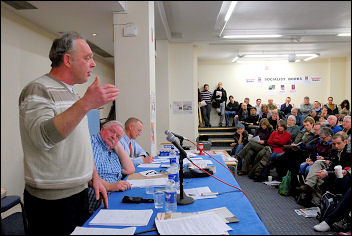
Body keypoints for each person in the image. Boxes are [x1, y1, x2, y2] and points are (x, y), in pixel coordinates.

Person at [19, 32, 116, 235]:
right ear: (68, 60)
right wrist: (86, 103)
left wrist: (95, 177)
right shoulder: (38, 89)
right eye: (88, 57)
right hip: (52, 201)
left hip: (79, 193)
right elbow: (42, 138)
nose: (93, 64)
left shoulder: (73, 93)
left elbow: (81, 143)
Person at [88, 121, 134, 215]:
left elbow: (130, 169)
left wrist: (116, 144)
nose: (114, 136)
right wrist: (110, 186)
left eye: (118, 136)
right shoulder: (92, 144)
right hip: (99, 202)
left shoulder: (111, 148)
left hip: (115, 195)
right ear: (102, 129)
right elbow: (87, 175)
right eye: (112, 131)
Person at [297, 132, 351, 206]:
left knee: (321, 178)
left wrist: (327, 172)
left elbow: (344, 170)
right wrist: (325, 171)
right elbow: (333, 165)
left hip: (344, 175)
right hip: (335, 171)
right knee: (318, 172)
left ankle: (315, 200)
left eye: (338, 143)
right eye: (334, 144)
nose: (336, 146)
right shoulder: (334, 150)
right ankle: (311, 192)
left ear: (345, 142)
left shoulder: (349, 152)